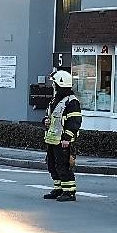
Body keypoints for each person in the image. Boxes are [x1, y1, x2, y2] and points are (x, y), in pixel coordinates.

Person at [43, 70, 82, 202]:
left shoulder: (72, 102)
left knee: (63, 166)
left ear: (61, 84)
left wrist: (67, 138)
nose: (53, 86)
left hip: (63, 141)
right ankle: (59, 189)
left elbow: (74, 122)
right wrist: (45, 121)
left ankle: (69, 192)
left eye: (54, 84)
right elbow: (51, 116)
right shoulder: (56, 100)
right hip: (53, 139)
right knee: (52, 165)